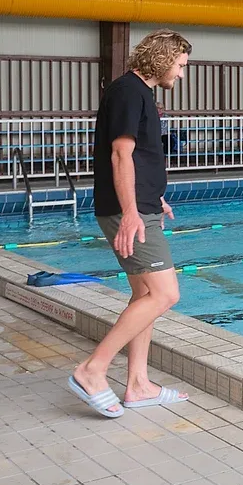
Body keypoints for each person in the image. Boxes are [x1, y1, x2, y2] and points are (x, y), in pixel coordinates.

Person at [68, 29, 191, 418]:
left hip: (141, 205)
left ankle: (137, 384)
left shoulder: (139, 93)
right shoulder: (128, 91)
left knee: (144, 298)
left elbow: (139, 158)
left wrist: (153, 196)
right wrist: (133, 211)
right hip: (129, 211)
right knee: (164, 294)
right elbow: (120, 154)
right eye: (180, 65)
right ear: (162, 58)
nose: (182, 74)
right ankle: (92, 369)